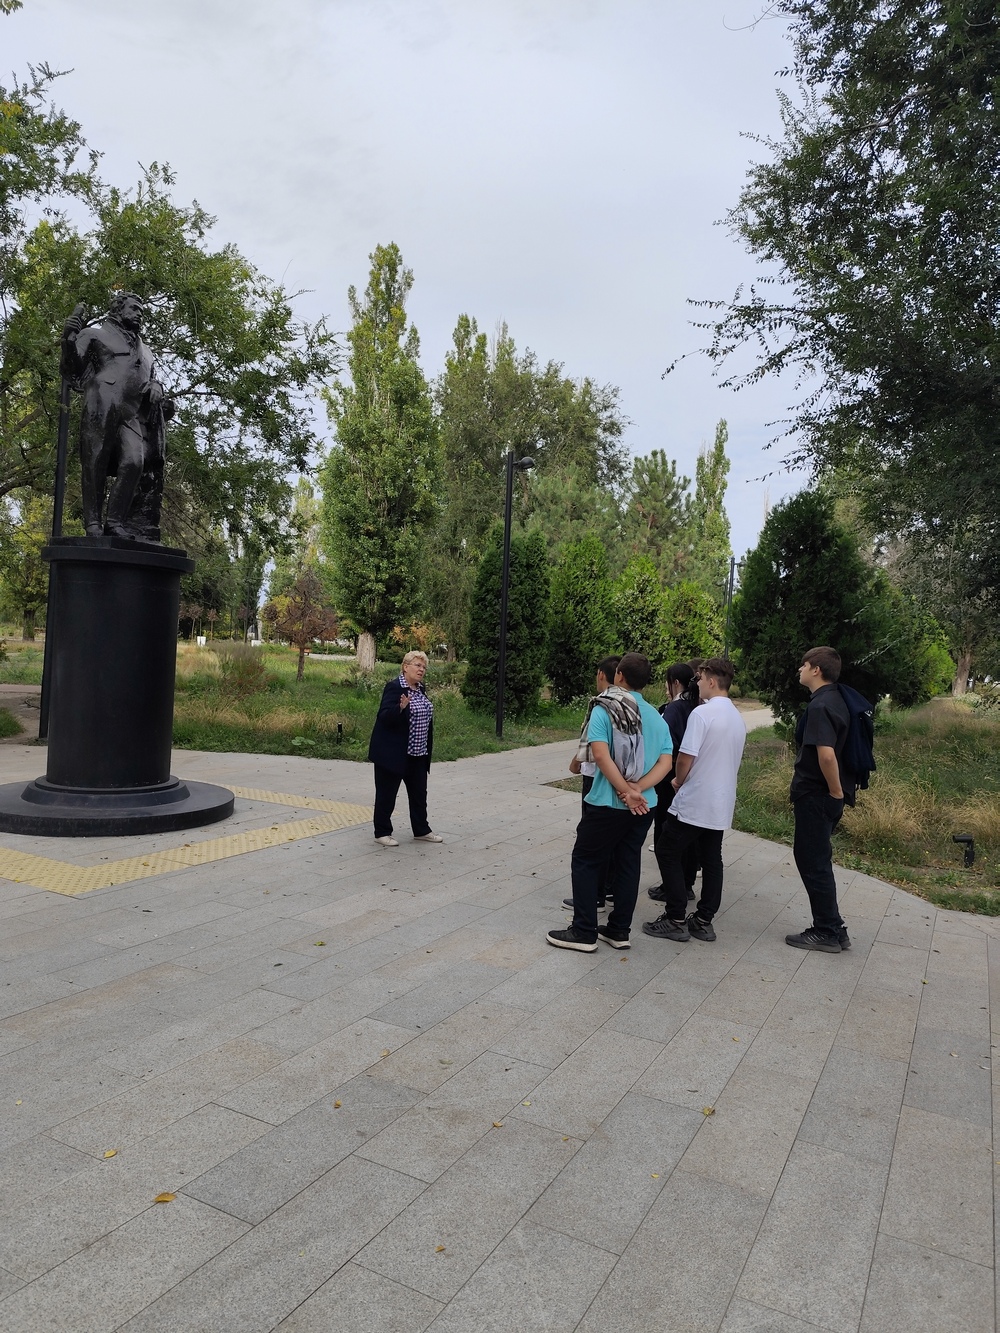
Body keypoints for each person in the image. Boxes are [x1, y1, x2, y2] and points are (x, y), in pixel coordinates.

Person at [547, 652, 674, 953]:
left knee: (586, 860)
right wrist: (638, 788)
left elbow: (601, 756)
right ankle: (618, 930)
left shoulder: (604, 709)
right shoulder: (656, 717)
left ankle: (584, 931)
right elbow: (666, 762)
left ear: (619, 676)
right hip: (645, 804)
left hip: (608, 802)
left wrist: (625, 790)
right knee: (628, 863)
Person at [643, 657, 746, 943]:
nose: (697, 683)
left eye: (700, 678)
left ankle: (675, 917)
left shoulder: (702, 714)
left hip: (697, 797)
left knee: (667, 850)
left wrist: (678, 779)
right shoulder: (736, 717)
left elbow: (685, 757)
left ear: (711, 680)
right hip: (721, 800)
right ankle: (703, 920)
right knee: (712, 859)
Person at [61, 294, 174, 541]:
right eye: (134, 308)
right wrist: (68, 338)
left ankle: (114, 522)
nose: (139, 313)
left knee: (134, 462)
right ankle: (93, 523)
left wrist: (157, 385)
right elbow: (72, 368)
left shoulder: (147, 351)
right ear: (118, 310)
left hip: (132, 411)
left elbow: (151, 378)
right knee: (96, 460)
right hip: (102, 401)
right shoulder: (94, 334)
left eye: (141, 310)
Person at [784, 647, 853, 953]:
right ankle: (835, 928)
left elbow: (826, 755)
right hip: (824, 795)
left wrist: (835, 792)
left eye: (804, 665)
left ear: (816, 670)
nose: (800, 669)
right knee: (817, 859)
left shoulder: (821, 706)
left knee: (812, 861)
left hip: (817, 795)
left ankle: (826, 930)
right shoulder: (835, 699)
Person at [561, 655, 621, 916]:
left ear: (601, 675)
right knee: (613, 837)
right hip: (620, 776)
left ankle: (594, 896)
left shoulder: (601, 704)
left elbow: (590, 742)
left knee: (592, 837)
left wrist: (575, 762)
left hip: (595, 777)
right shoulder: (630, 704)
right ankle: (609, 889)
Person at [367, 650, 443, 847]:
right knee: (387, 795)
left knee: (419, 795)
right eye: (417, 665)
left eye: (424, 667)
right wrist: (400, 708)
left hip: (418, 753)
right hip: (393, 754)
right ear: (405, 666)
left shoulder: (420, 688)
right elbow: (384, 717)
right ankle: (382, 832)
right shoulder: (394, 687)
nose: (421, 669)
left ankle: (421, 830)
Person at [647, 662, 701, 904]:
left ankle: (671, 887)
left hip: (670, 777)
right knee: (688, 836)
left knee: (665, 831)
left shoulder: (675, 708)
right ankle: (686, 884)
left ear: (675, 683)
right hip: (692, 777)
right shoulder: (697, 706)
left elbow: (664, 742)